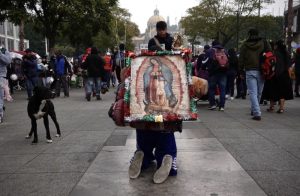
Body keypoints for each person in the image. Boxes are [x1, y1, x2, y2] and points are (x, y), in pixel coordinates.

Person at [129, 21, 178, 184]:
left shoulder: (172, 40)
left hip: (150, 109)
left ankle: (143, 155)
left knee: (146, 124)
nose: (163, 32)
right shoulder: (163, 72)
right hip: (161, 106)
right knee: (164, 125)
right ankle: (166, 157)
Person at [239, 28, 271, 121]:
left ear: (249, 34)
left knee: (253, 92)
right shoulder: (264, 42)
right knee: (259, 92)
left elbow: (241, 59)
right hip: (262, 70)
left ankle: (256, 111)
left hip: (249, 70)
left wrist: (240, 70)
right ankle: (255, 110)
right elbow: (270, 53)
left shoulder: (245, 44)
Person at [265, 40, 293, 113]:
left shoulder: (274, 53)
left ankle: (271, 107)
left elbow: (271, 64)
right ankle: (281, 108)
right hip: (284, 74)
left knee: (272, 91)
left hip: (274, 75)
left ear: (277, 46)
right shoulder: (287, 53)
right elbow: (289, 66)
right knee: (282, 92)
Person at [207, 40, 228, 111]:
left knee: (211, 89)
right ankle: (222, 106)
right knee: (222, 89)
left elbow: (206, 61)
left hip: (213, 73)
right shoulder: (224, 51)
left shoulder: (210, 51)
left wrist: (206, 68)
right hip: (223, 72)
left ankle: (212, 104)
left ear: (212, 45)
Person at [0, 46, 12, 123]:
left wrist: (0, 54)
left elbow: (8, 61)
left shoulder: (4, 50)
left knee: (0, 97)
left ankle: (0, 114)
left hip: (1, 76)